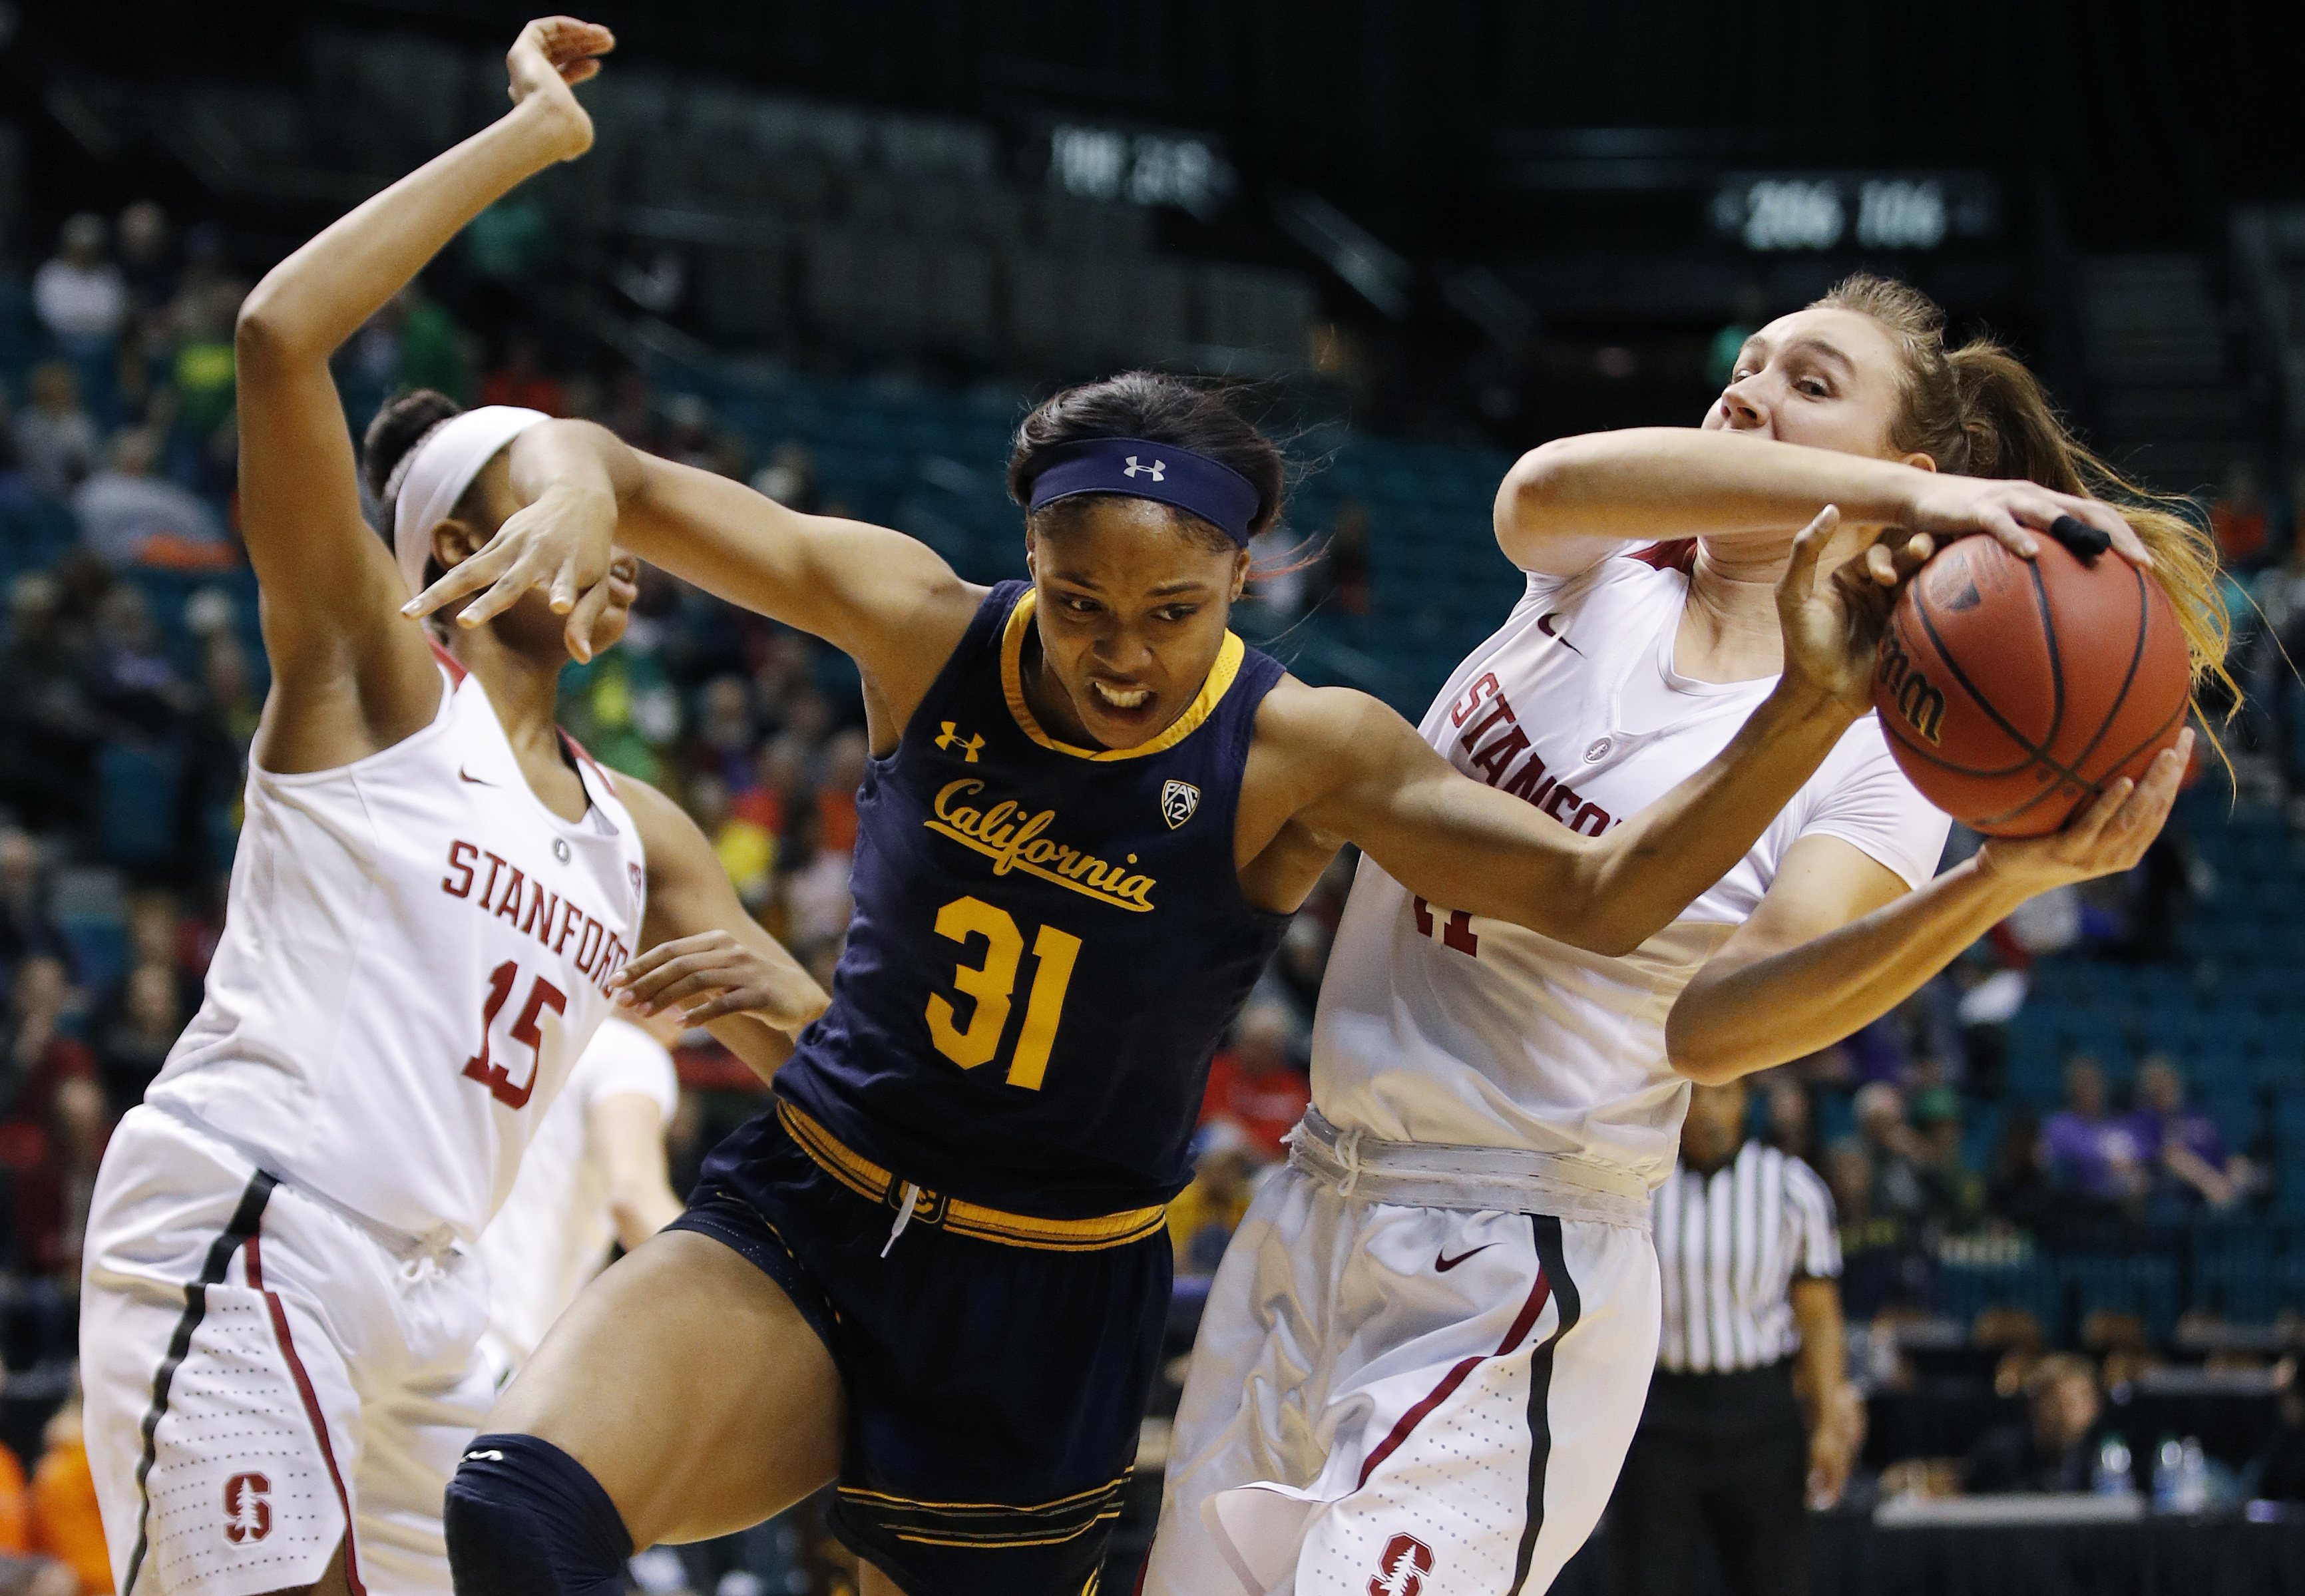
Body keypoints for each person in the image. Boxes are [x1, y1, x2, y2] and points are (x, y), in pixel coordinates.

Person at [411, 232, 1936, 1596]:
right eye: (1079, 603)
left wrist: (1808, 705)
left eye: (1169, 613)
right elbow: (614, 461)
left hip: (1049, 1289)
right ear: (1028, 564)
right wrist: (563, 496)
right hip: (813, 1204)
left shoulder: (1299, 749)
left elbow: (1605, 894)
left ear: (1238, 580)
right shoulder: (917, 627)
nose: (1122, 655)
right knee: (514, 1511)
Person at [1145, 274, 2220, 1596]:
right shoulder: (1612, 555)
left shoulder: (1873, 754)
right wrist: (1913, 506)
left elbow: (1717, 1027)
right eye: (1748, 361)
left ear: (1904, 468)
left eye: (1809, 383)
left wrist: (2000, 879)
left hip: (1510, 1261)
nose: (1750, 388)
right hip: (1311, 1198)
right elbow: (1532, 488)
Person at [76, 23, 825, 1596]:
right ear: (451, 547)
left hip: (453, 1301)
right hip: (267, 1204)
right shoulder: (378, 680)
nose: (607, 526)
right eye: (559, 496)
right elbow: (281, 336)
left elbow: (838, 1082)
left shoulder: (642, 832)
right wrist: (532, 137)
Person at [1609, 1077, 1854, 1596]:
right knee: (1644, 1582)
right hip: (1656, 1415)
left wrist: (1830, 1419)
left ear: (1744, 1100)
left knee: (1775, 1582)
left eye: (1722, 1095)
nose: (1708, 1111)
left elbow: (1817, 1315)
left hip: (1759, 1413)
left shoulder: (1792, 1186)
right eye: (1695, 1096)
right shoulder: (1637, 1185)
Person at [477, 1009, 684, 1384]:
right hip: (492, 1348)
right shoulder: (632, 1050)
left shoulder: (534, 1021)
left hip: (417, 1301)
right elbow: (633, 1198)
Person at [1964, 1354, 2105, 1493]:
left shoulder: (2107, 1457)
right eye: (2058, 1403)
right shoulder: (1998, 1456)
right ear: (2035, 1404)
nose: (2066, 1414)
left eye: (2073, 1403)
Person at [2129, 1055, 2250, 1210]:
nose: (2162, 1089)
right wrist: (2209, 1180)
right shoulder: (2145, 1119)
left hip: (2214, 1175)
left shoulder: (2196, 1115)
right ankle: (2220, 1194)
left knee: (2242, 1166)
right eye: (2156, 1085)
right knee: (2174, 1156)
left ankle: (2231, 1202)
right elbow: (2161, 1156)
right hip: (2168, 1184)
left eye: (2166, 1082)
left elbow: (2222, 1152)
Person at [2041, 1056, 2146, 1213]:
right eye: (2084, 1085)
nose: (2090, 1091)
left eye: (2094, 1085)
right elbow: (2055, 1163)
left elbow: (2136, 1160)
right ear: (2073, 1090)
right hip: (2078, 1198)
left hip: (2118, 1195)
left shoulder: (2116, 1126)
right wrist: (2104, 1164)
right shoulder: (2060, 1125)